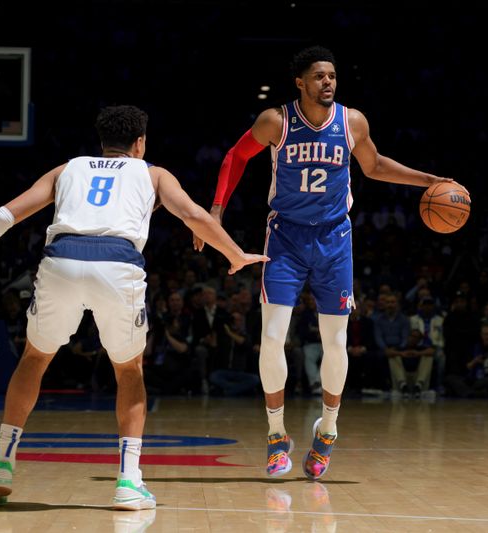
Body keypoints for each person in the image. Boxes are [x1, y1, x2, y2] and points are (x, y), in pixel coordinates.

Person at [0, 105, 268, 510]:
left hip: (61, 260)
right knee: (129, 370)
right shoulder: (153, 173)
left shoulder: (68, 168)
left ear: (102, 141)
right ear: (140, 143)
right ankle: (128, 481)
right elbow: (193, 215)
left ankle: (1, 464)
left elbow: (4, 216)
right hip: (117, 265)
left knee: (33, 359)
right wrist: (234, 254)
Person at [192, 45, 458, 479]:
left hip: (335, 239)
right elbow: (235, 157)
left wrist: (428, 180)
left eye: (332, 75)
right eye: (319, 76)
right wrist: (217, 210)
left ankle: (328, 430)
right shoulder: (276, 121)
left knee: (336, 342)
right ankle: (277, 436)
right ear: (300, 82)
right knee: (273, 337)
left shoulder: (352, 121)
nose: (328, 82)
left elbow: (373, 166)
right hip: (286, 238)